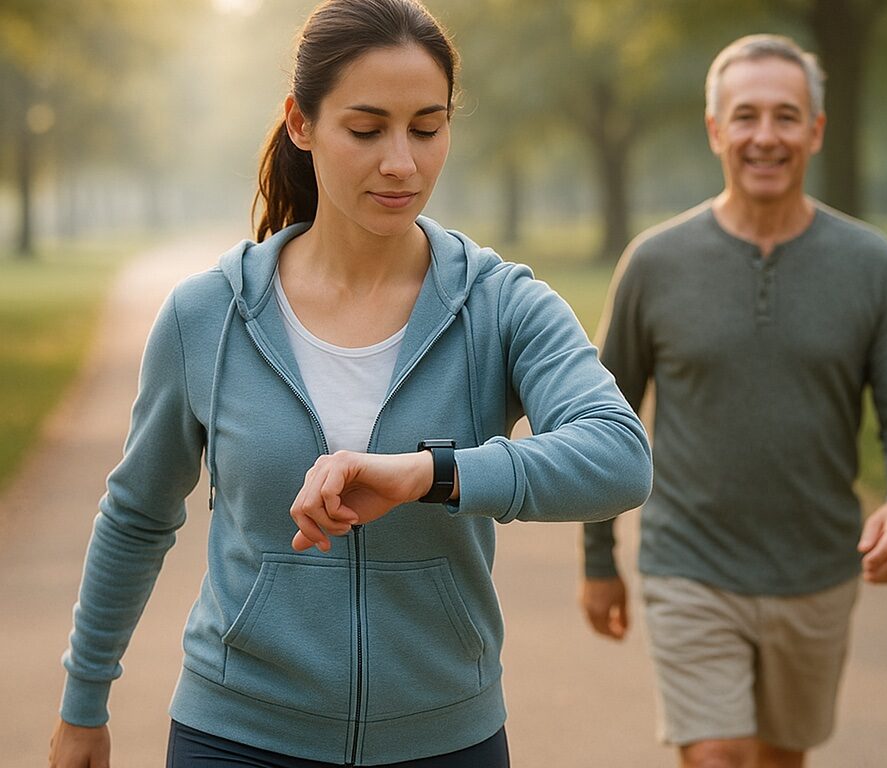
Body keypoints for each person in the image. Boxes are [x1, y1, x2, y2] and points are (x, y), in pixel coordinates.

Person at [49, 1, 653, 765]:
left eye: (427, 128)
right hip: (236, 736)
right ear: (301, 124)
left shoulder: (503, 305)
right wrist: (82, 702)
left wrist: (429, 474)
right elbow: (137, 515)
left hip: (446, 740)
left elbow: (619, 456)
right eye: (366, 130)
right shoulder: (207, 316)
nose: (401, 161)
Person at [580, 34, 887, 768]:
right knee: (719, 757)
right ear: (716, 129)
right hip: (688, 563)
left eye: (786, 116)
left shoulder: (869, 264)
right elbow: (600, 420)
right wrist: (597, 557)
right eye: (745, 116)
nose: (765, 137)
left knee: (779, 759)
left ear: (815, 129)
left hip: (817, 571)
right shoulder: (655, 262)